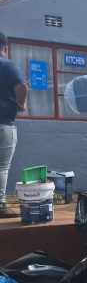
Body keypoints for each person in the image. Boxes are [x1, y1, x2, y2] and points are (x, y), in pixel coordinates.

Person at [0, 32, 29, 218]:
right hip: (2, 123)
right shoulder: (6, 65)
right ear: (4, 47)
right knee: (1, 166)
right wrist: (21, 104)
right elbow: (22, 86)